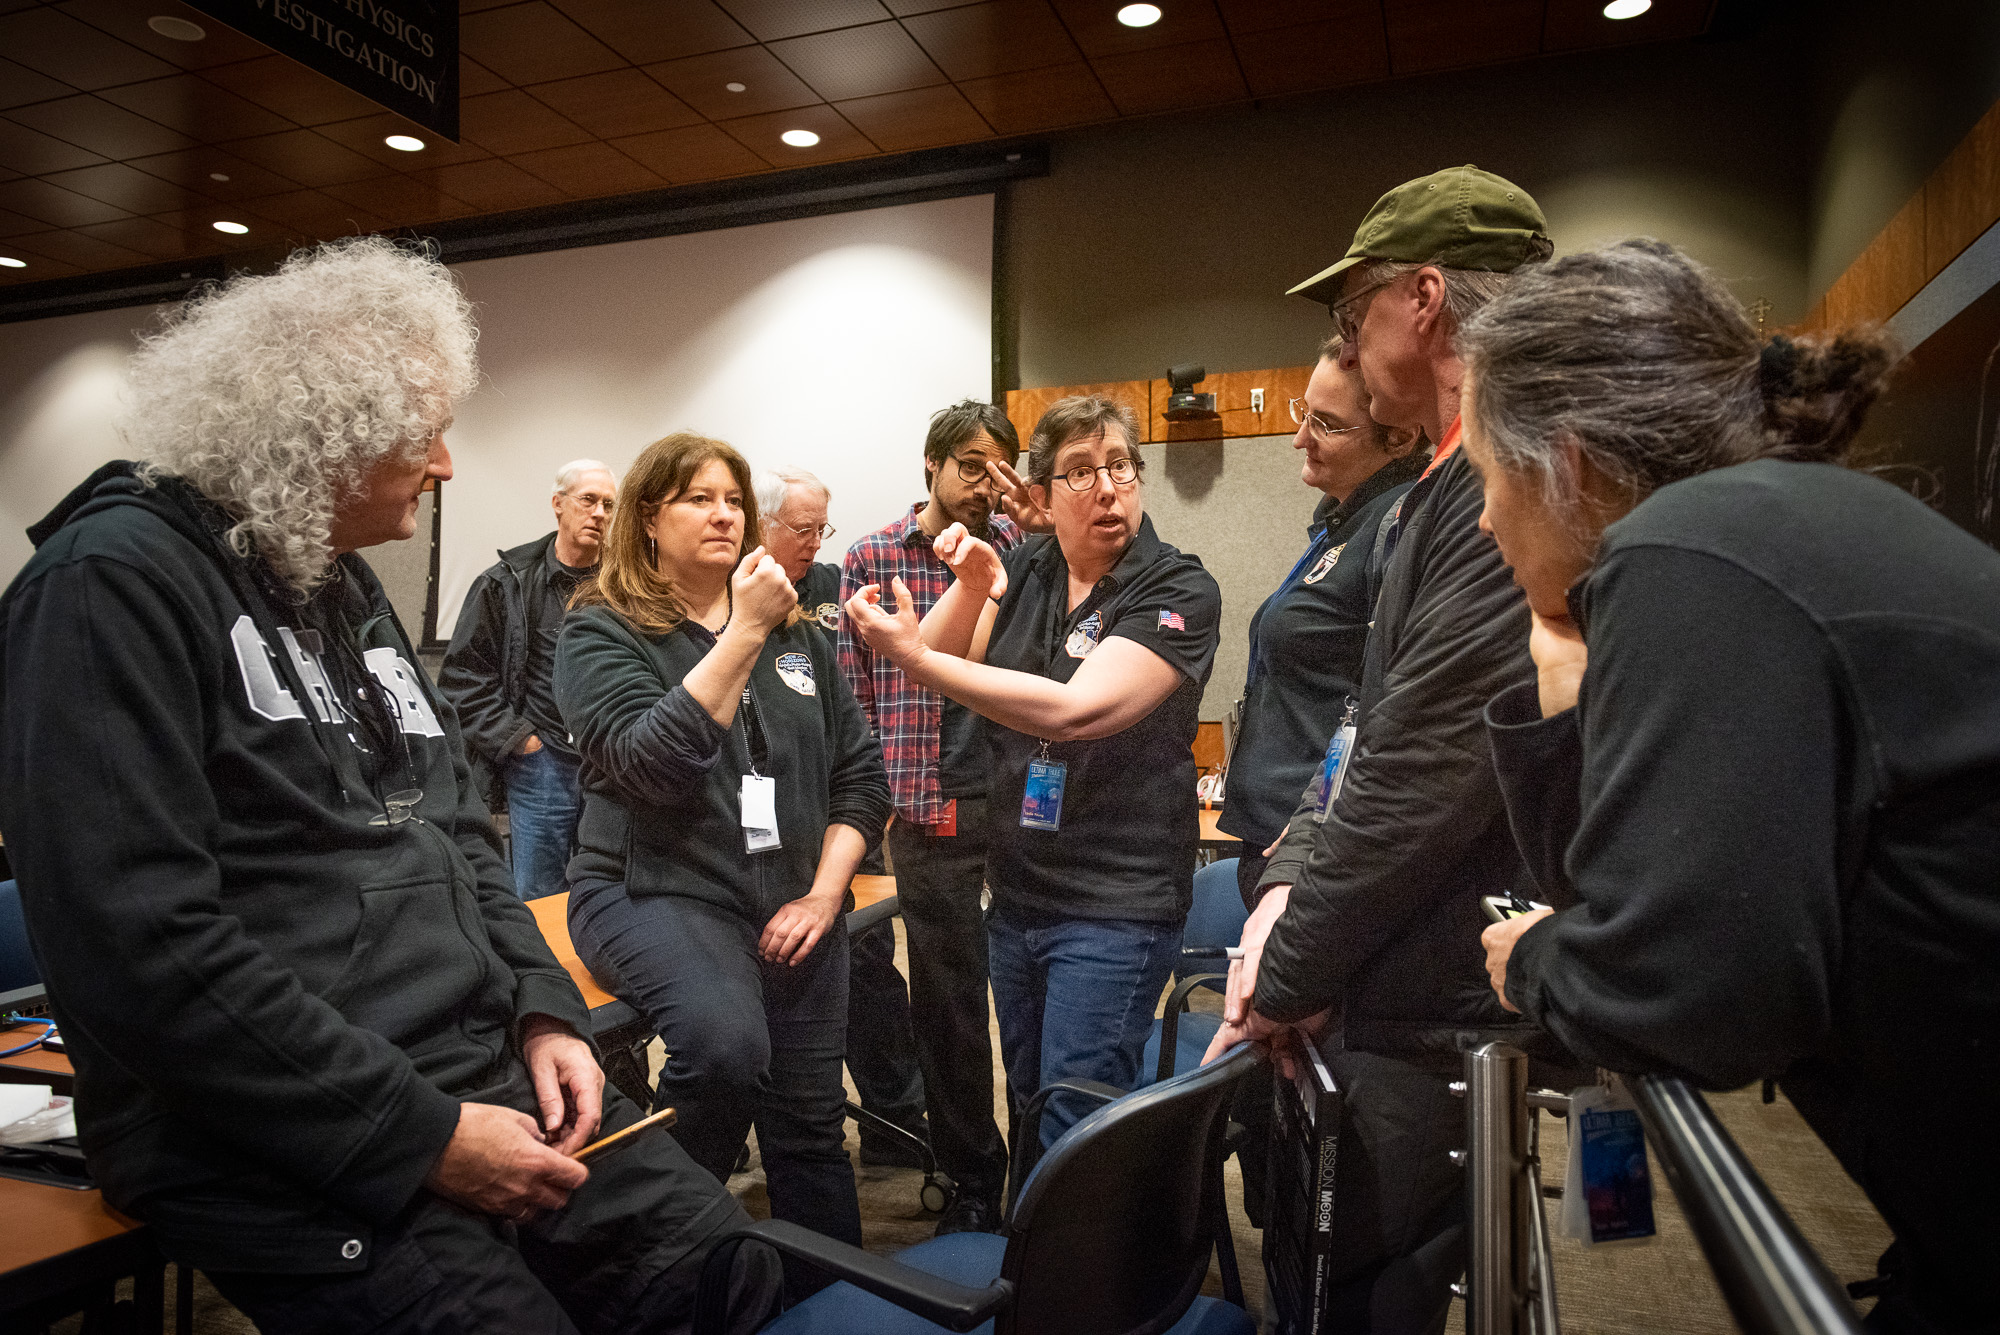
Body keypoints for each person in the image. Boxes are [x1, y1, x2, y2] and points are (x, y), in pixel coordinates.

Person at [0, 238, 776, 1334]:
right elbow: (139, 945)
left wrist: (546, 1013)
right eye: (422, 436)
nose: (447, 464)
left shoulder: (340, 584)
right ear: (316, 435)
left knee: (729, 1276)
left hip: (478, 1072)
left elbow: (457, 834)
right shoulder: (107, 583)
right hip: (274, 1132)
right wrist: (421, 1137)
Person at [1464, 239, 2000, 1334]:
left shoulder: (1692, 545)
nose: (1482, 519)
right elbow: (1629, 901)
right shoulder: (1763, 526)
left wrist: (1537, 962)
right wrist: (1564, 688)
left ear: (1567, 463)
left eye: (1484, 476)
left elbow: (1685, 995)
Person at [1205, 164, 1561, 1334]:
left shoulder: (1515, 471)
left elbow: (1421, 770)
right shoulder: (1436, 483)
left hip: (1437, 995)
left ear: (1423, 298)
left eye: (1352, 308)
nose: (1347, 340)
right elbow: (1361, 731)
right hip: (1376, 971)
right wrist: (1285, 888)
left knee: (1373, 1293)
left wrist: (1286, 973)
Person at [555, 432, 890, 1292]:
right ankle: (645, 1249)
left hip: (793, 898)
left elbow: (861, 778)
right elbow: (652, 764)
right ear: (647, 518)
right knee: (727, 1049)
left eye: (734, 500)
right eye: (698, 498)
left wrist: (824, 895)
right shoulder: (602, 628)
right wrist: (741, 630)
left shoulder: (800, 638)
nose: (723, 514)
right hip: (652, 889)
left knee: (810, 1124)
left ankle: (833, 1302)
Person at [847, 393, 1221, 1159]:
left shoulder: (1176, 586)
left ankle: (1082, 1242)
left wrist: (914, 654)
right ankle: (1025, 1234)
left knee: (1073, 1121)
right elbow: (943, 659)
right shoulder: (1031, 565)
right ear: (1044, 493)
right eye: (1080, 471)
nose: (1107, 487)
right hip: (1018, 897)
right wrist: (971, 584)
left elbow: (1077, 711)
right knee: (1028, 1101)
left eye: (1120, 465)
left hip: (1113, 904)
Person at [837, 400, 1025, 1233]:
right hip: (924, 805)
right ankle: (971, 1175)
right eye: (970, 465)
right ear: (932, 464)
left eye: (998, 468)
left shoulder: (1026, 546)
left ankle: (1049, 1173)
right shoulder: (872, 555)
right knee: (949, 1006)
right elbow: (854, 698)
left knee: (1029, 990)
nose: (985, 484)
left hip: (1022, 805)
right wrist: (870, 806)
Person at [755, 464, 930, 1173]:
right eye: (803, 528)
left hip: (844, 813)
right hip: (769, 826)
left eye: (822, 528)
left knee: (869, 968)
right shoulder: (728, 601)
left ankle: (896, 1118)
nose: (815, 542)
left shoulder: (835, 589)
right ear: (761, 524)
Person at [1218, 335, 1424, 901]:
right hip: (1274, 837)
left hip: (1316, 848)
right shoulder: (1343, 522)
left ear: (1400, 435)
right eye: (1303, 413)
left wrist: (1323, 820)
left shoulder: (1400, 524)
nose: (1299, 438)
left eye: (1327, 424)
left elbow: (1394, 704)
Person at [440, 460, 618, 900]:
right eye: (588, 500)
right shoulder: (506, 583)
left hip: (610, 764)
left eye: (609, 505)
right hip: (543, 763)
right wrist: (521, 741)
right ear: (558, 504)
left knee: (606, 889)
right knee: (539, 892)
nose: (599, 513)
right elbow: (462, 679)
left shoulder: (626, 586)